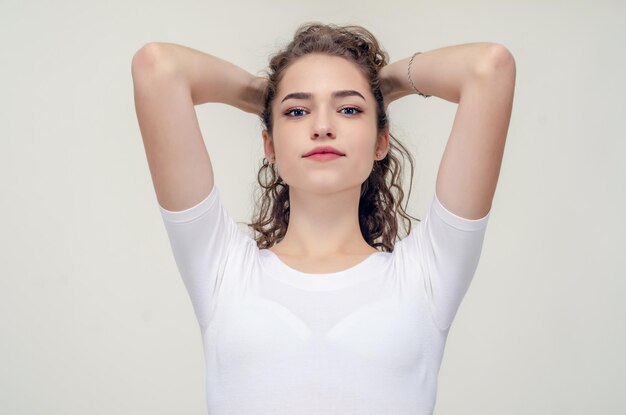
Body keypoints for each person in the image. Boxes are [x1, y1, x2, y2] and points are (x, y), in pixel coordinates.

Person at [131, 23, 515, 415]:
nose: (323, 127)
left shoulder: (425, 275)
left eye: (349, 109)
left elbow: (489, 68)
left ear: (381, 140)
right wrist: (257, 92)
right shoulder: (223, 269)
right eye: (297, 111)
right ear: (270, 144)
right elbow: (158, 68)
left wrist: (390, 84)